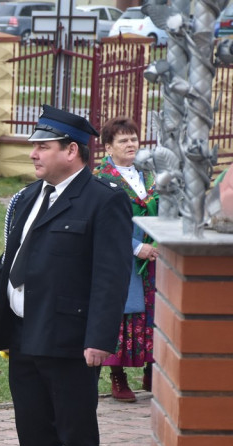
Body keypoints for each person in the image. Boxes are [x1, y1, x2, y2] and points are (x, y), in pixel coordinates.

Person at [0, 105, 132, 446]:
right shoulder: (28, 197)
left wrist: (99, 338)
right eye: (34, 146)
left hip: (70, 338)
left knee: (74, 432)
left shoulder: (103, 199)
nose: (34, 154)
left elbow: (111, 275)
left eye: (43, 146)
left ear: (72, 151)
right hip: (24, 333)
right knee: (34, 430)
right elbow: (7, 264)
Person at [93, 116, 158, 402]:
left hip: (155, 255)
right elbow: (101, 223)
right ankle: (117, 375)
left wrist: (157, 242)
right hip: (122, 257)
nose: (131, 144)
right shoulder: (100, 178)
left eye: (133, 139)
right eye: (123, 140)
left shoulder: (150, 173)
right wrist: (135, 247)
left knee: (157, 311)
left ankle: (152, 370)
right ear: (108, 147)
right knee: (122, 313)